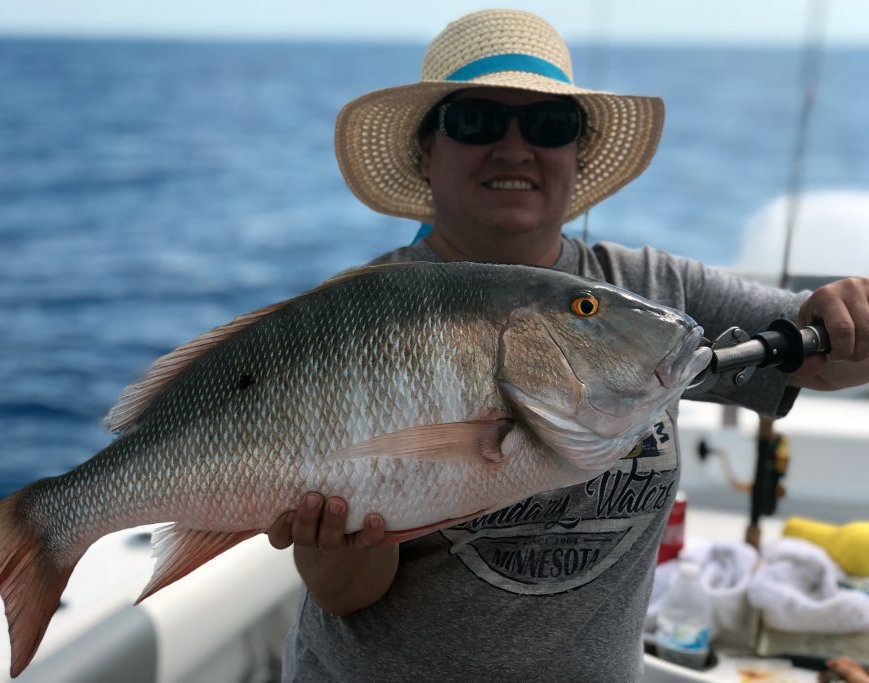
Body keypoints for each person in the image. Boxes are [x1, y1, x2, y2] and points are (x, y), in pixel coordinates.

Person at [265, 9, 869, 681]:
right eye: (477, 121)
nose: (515, 146)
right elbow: (345, 591)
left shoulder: (650, 294)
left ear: (577, 157)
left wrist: (847, 314)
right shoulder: (366, 321)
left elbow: (825, 359)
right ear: (426, 153)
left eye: (550, 125)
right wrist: (333, 548)